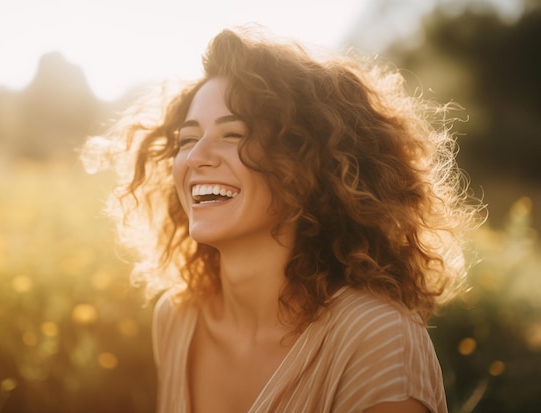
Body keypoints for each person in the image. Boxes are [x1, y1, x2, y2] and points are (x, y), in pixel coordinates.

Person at [83, 27, 481, 413]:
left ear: (307, 164)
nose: (198, 156)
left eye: (233, 134)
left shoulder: (376, 339)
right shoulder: (175, 317)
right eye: (188, 139)